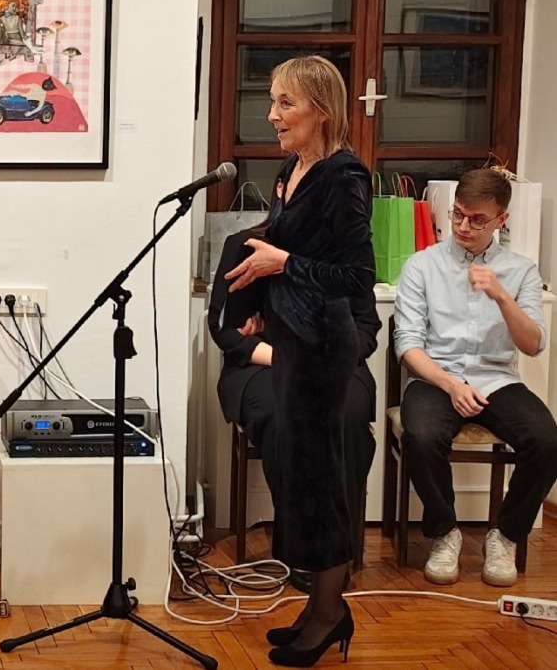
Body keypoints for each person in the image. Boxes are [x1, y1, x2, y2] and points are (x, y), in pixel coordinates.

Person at [224, 56, 375, 667]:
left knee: (321, 481)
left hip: (323, 348)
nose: (272, 115)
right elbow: (285, 252)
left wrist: (281, 266)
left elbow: (355, 276)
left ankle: (330, 613)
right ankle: (318, 609)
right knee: (301, 477)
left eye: (286, 102)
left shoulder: (344, 176)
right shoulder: (292, 169)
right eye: (272, 101)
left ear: (323, 109)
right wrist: (262, 306)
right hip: (291, 340)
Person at [393, 168, 557, 588]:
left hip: (497, 379)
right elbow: (407, 345)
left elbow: (533, 344)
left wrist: (501, 295)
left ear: (501, 219)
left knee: (546, 440)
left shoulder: (521, 270)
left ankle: (505, 536)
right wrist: (451, 386)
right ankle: (444, 533)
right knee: (422, 435)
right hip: (436, 378)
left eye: (477, 219)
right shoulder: (422, 266)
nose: (464, 226)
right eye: (458, 215)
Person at [209, 224, 379, 591]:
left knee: (347, 416)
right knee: (286, 414)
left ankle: (337, 552)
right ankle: (302, 548)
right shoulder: (246, 245)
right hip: (263, 362)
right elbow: (225, 329)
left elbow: (367, 327)